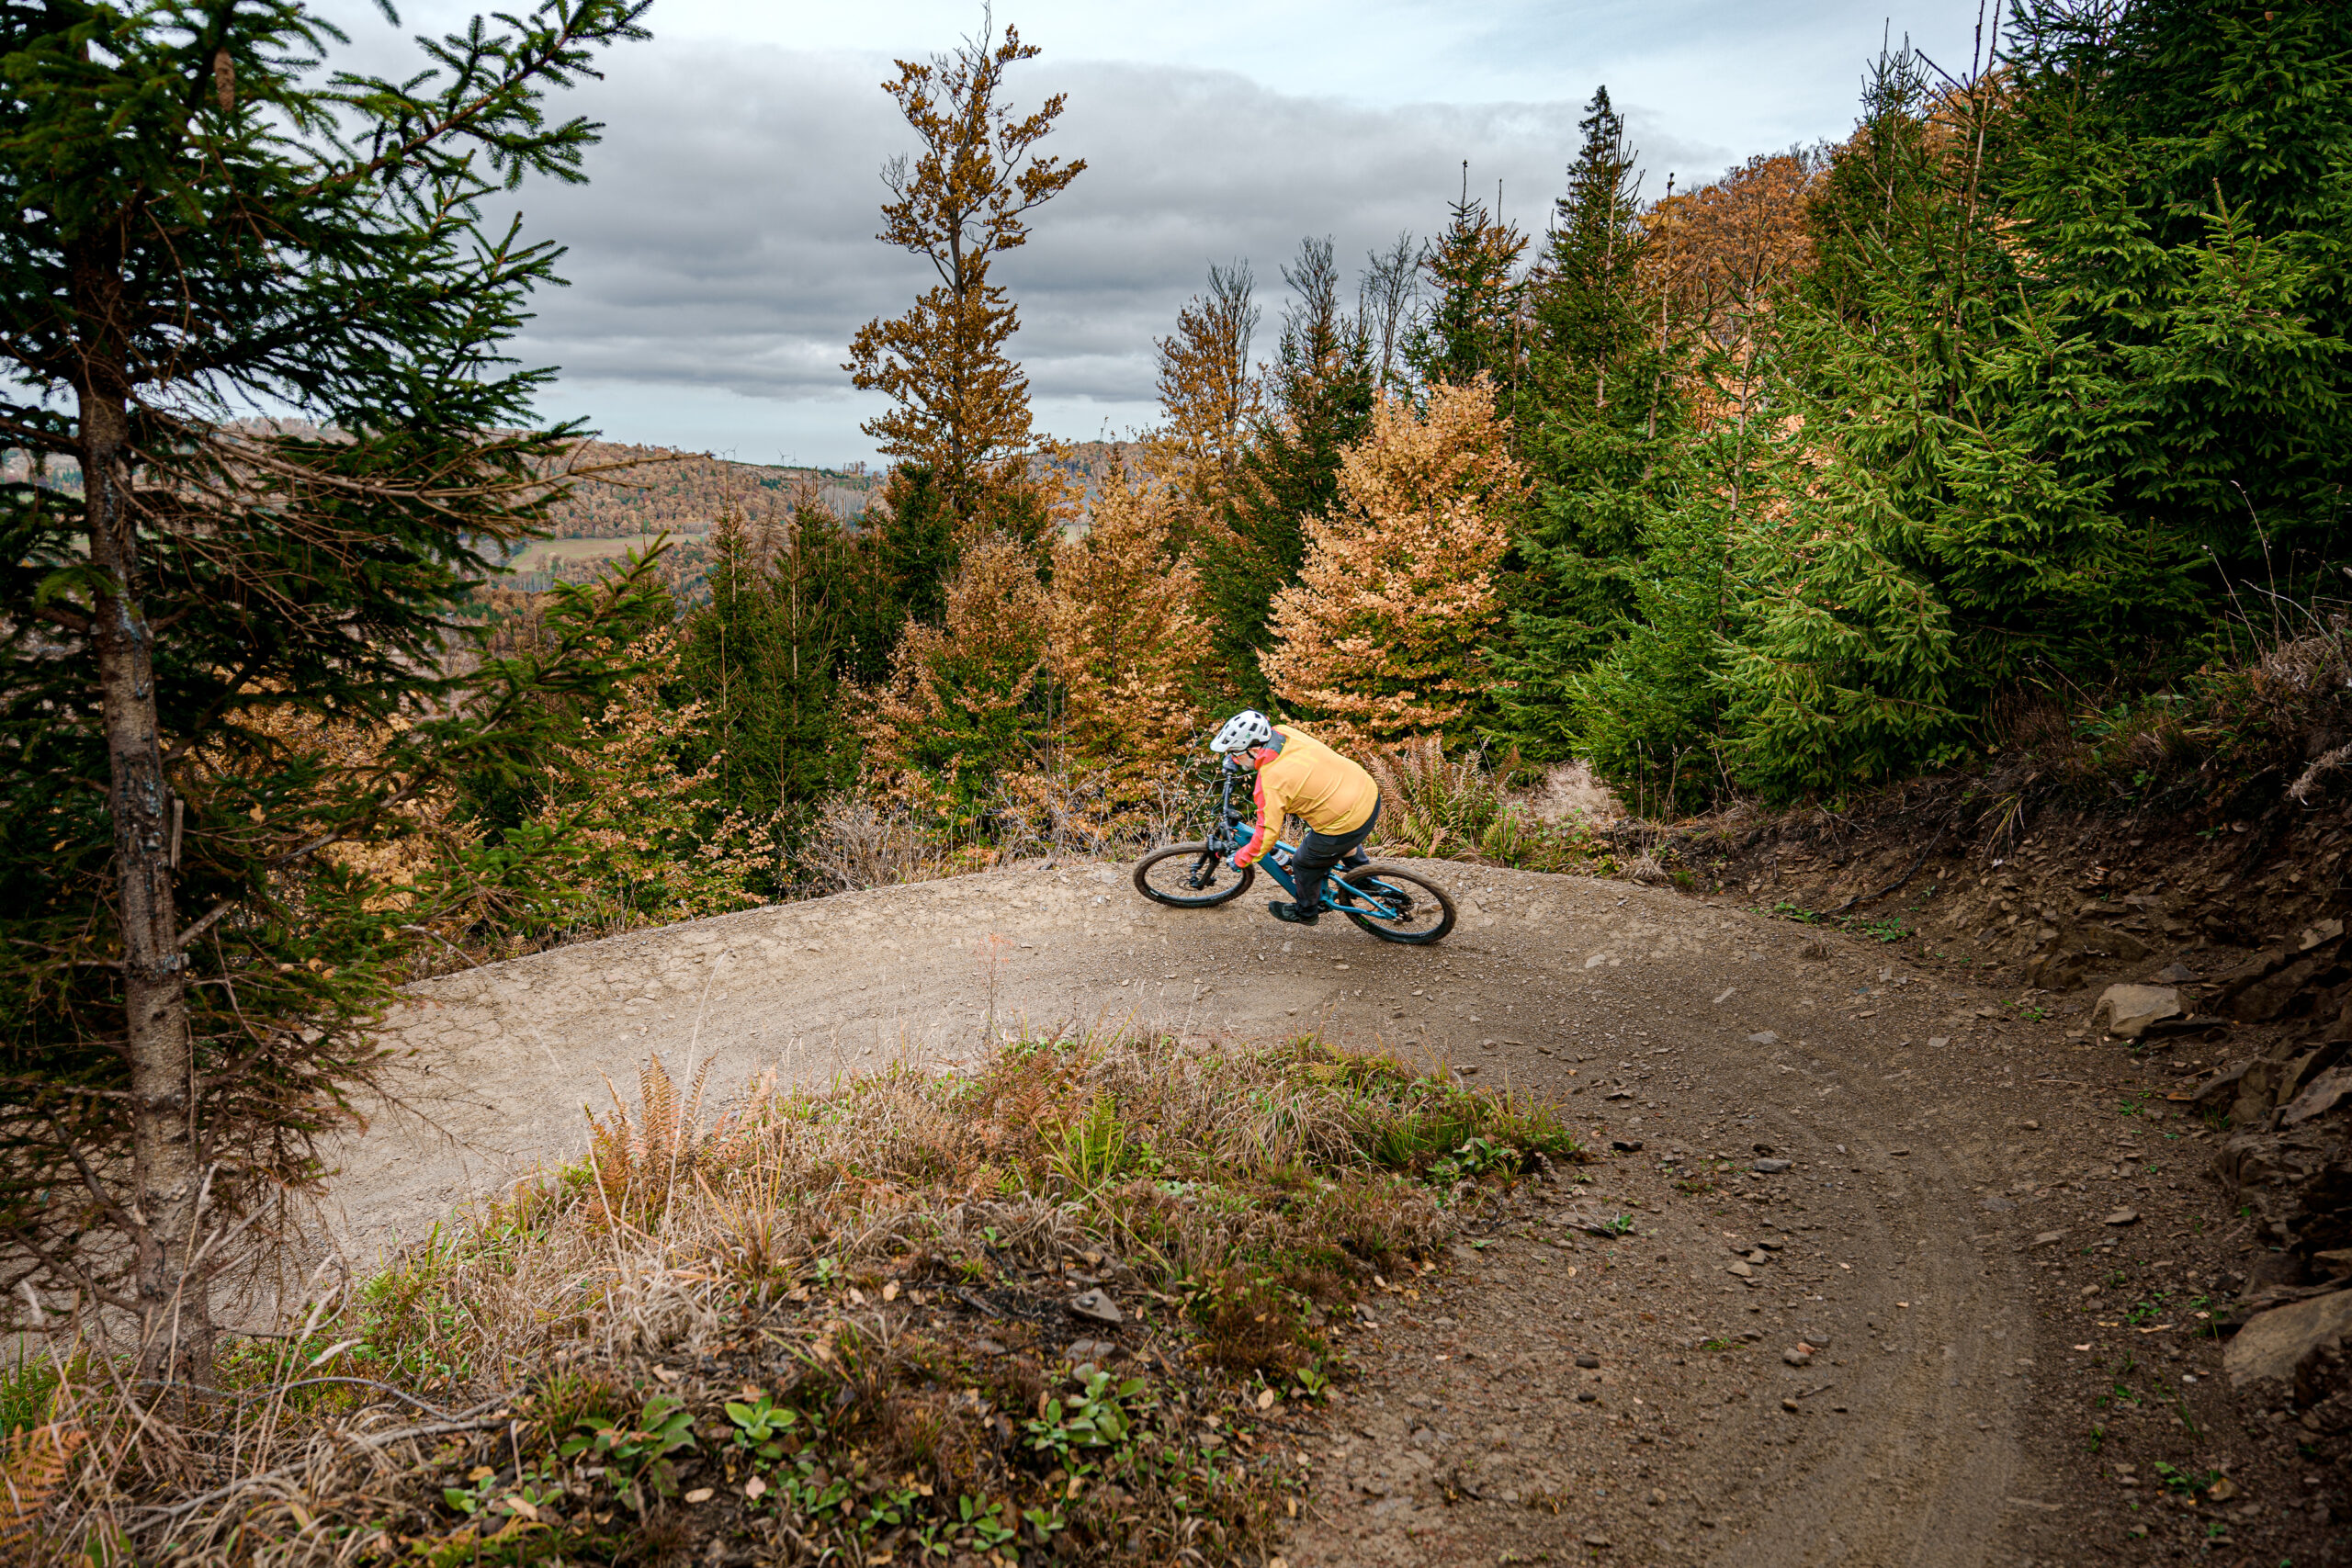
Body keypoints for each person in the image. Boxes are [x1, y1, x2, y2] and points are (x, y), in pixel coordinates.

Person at [1208, 710, 1380, 926]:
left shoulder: (1271, 781)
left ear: (1253, 749)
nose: (1233, 757)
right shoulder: (1283, 732)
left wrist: (1241, 858)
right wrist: (1239, 761)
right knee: (1343, 843)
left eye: (1235, 752)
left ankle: (1306, 911)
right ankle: (1367, 881)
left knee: (1303, 863)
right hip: (1366, 793)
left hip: (1345, 819)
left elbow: (1266, 837)